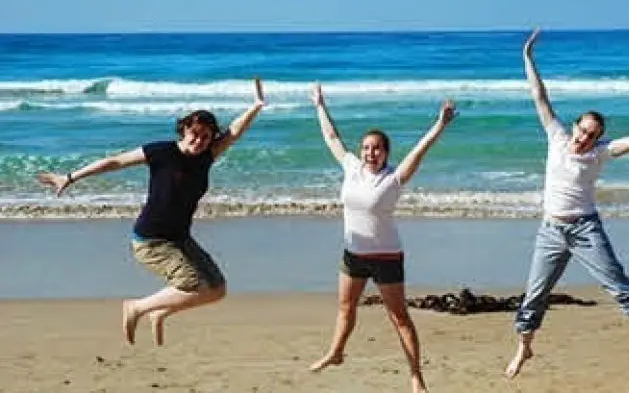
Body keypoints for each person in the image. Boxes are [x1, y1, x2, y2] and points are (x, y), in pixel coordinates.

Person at [505, 29, 629, 378]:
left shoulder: (601, 154)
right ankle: (524, 348)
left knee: (620, 286)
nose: (584, 138)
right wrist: (528, 58)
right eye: (582, 131)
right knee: (533, 296)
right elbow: (539, 96)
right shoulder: (556, 137)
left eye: (592, 135)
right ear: (575, 127)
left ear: (598, 138)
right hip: (551, 230)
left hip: (585, 229)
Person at [36, 77, 266, 346]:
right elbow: (115, 161)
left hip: (179, 238)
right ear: (184, 131)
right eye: (194, 134)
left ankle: (159, 312)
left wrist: (257, 106)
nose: (199, 141)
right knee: (193, 284)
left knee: (217, 289)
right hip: (151, 241)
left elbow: (235, 132)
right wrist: (70, 176)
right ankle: (136, 307)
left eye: (206, 136)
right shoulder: (161, 152)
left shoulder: (207, 156)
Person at [307, 83, 455, 393]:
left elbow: (420, 150)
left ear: (386, 152)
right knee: (346, 308)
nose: (370, 153)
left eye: (377, 148)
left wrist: (440, 123)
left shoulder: (394, 178)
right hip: (353, 255)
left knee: (399, 317)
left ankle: (416, 376)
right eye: (366, 148)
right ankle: (336, 352)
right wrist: (320, 104)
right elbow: (331, 137)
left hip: (386, 257)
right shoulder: (351, 168)